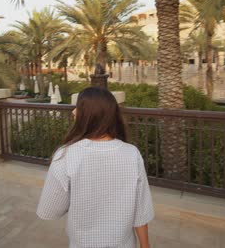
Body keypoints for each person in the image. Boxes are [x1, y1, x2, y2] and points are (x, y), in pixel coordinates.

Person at [36, 87, 154, 248]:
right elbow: (141, 211)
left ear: (87, 115)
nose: (73, 112)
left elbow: (49, 210)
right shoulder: (132, 154)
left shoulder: (65, 156)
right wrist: (145, 246)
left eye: (78, 107)